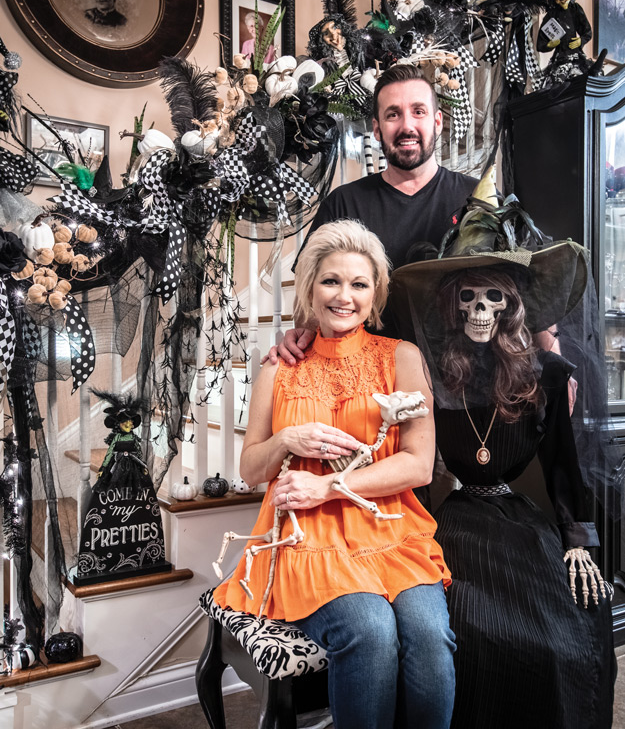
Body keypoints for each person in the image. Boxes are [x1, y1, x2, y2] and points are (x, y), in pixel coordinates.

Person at [213, 220, 456, 729]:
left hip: (391, 530)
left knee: (430, 636)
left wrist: (327, 484)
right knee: (369, 630)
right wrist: (285, 441)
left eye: (359, 284)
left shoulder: (402, 358)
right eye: (331, 281)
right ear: (309, 287)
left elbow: (416, 463)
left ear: (375, 296)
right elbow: (251, 469)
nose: (344, 296)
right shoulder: (279, 368)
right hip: (308, 537)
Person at [390, 221, 616, 728]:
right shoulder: (427, 372)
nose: (480, 311)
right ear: (452, 306)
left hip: (519, 519)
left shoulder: (548, 376)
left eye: (494, 298)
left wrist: (576, 536)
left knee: (570, 627)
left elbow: (563, 463)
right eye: (468, 298)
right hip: (456, 520)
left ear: (512, 306)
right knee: (471, 627)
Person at [269, 64, 479, 365]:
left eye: (418, 111)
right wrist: (301, 334)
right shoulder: (344, 204)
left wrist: (553, 355)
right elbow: (308, 295)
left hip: (462, 378)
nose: (407, 126)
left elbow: (517, 282)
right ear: (377, 128)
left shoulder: (475, 199)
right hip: (365, 384)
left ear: (437, 122)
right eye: (393, 114)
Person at [536, 0, 593, 86]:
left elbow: (587, 31)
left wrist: (580, 41)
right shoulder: (551, 15)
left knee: (580, 77)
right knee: (558, 78)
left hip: (576, 55)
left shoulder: (576, 9)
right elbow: (540, 44)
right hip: (560, 56)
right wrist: (551, 44)